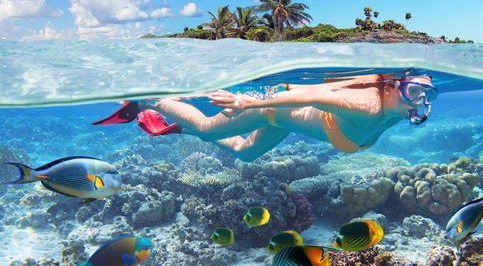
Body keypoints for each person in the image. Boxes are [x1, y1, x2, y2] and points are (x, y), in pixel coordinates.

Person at [93, 74, 438, 162]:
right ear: (393, 86)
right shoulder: (370, 105)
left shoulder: (400, 109)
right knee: (210, 129)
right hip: (276, 109)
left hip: (284, 119)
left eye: (426, 95)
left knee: (246, 153)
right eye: (412, 91)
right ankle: (148, 101)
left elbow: (318, 92)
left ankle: (178, 127)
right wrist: (247, 103)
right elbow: (311, 95)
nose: (419, 101)